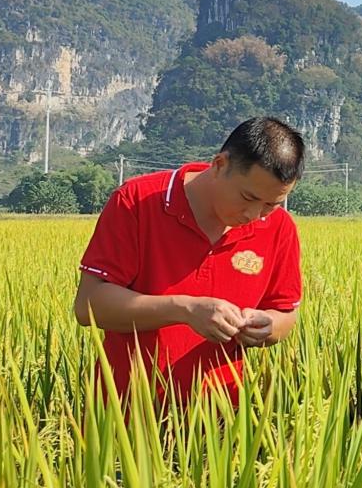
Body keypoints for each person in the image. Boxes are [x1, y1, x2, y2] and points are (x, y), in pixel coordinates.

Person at [73, 115, 305, 403]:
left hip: (222, 424)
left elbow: (285, 313)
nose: (255, 215)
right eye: (247, 197)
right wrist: (184, 309)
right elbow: (88, 305)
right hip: (127, 414)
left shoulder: (279, 227)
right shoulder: (137, 201)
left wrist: (267, 326)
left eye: (272, 204)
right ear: (220, 165)